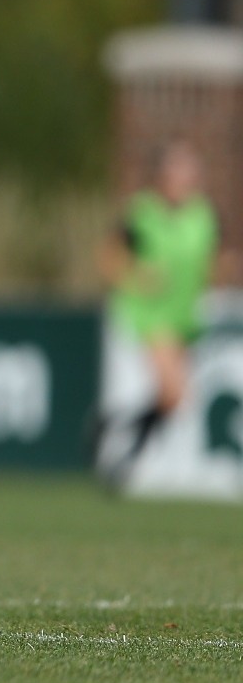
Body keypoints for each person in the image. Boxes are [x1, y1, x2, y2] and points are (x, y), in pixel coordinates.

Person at [97, 138, 227, 488]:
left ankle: (113, 426)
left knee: (171, 401)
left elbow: (214, 263)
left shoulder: (203, 216)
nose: (186, 177)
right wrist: (138, 276)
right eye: (179, 169)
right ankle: (125, 456)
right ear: (163, 175)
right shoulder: (143, 213)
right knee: (177, 393)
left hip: (184, 317)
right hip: (150, 315)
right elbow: (110, 260)